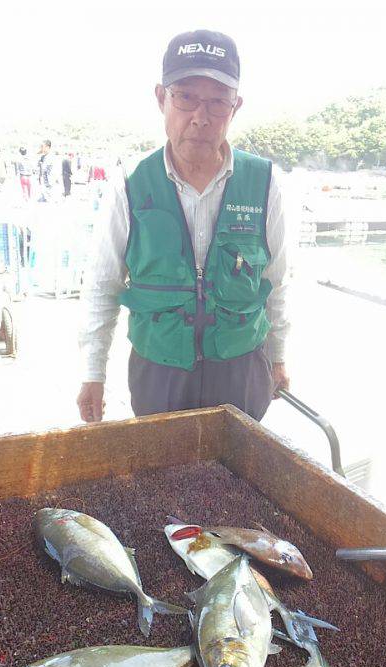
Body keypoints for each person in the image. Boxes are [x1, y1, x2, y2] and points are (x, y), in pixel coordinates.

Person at [77, 29, 290, 424]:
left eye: (217, 102)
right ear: (162, 98)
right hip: (159, 371)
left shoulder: (265, 182)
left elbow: (276, 281)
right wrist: (93, 374)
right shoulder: (129, 184)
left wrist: (277, 356)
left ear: (235, 106)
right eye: (186, 96)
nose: (200, 117)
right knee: (162, 476)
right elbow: (102, 285)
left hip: (242, 369)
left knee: (236, 479)